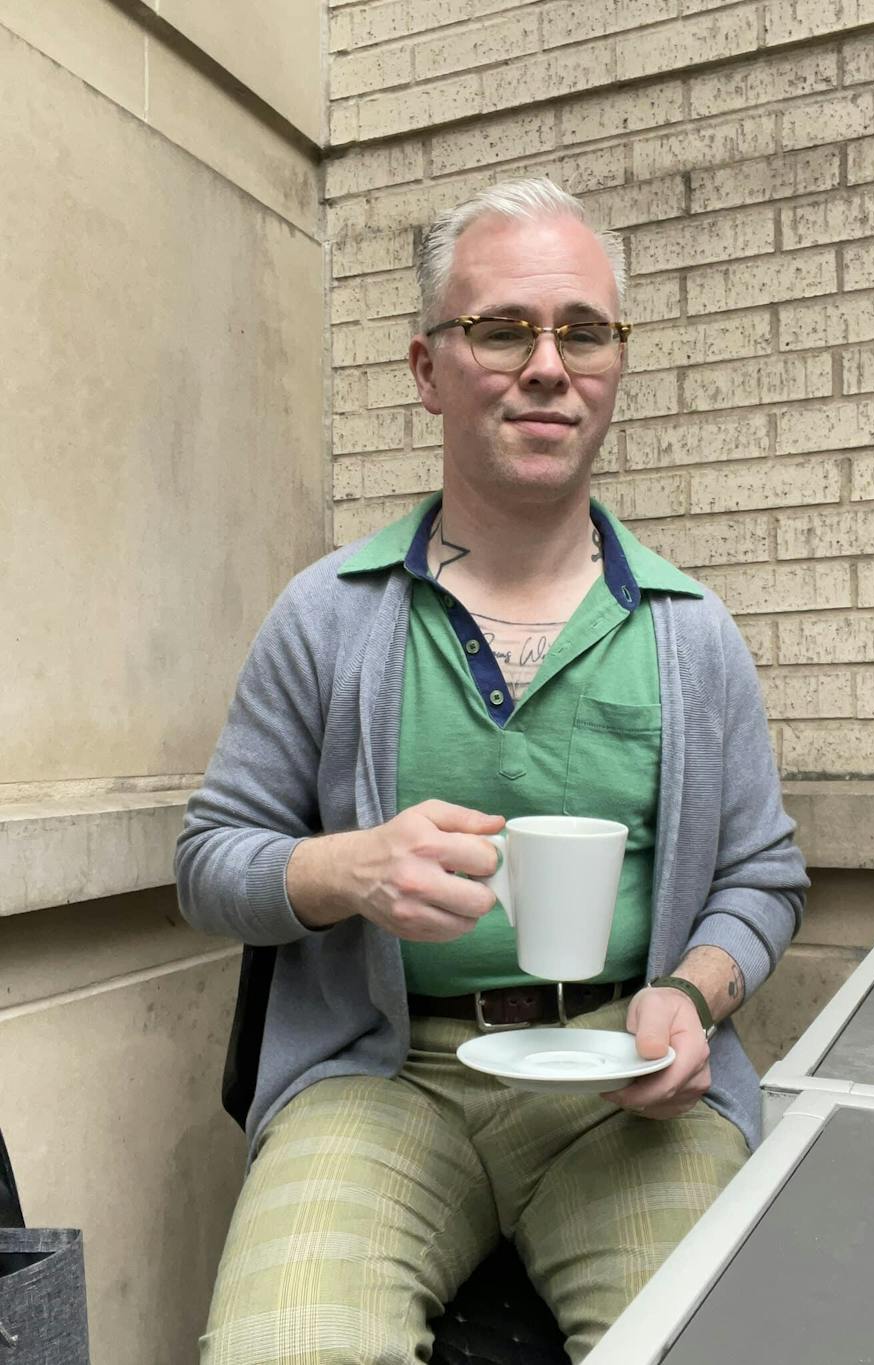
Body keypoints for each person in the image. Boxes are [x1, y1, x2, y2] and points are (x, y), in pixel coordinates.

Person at [176, 177, 808, 1364]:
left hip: (625, 1081)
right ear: (428, 368)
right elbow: (209, 865)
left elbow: (761, 878)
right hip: (382, 1079)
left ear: (615, 363)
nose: (547, 367)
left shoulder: (690, 634)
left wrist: (692, 996)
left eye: (583, 332)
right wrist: (345, 871)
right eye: (503, 329)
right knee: (284, 1347)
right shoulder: (326, 616)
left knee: (719, 1344)